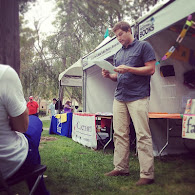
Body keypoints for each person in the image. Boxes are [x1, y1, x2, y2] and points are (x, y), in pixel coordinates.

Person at [102, 21, 156, 186]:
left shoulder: (144, 46)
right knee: (119, 134)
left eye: (120, 35)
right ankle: (121, 167)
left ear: (129, 31)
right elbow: (118, 77)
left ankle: (147, 174)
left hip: (138, 96)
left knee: (142, 135)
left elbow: (151, 69)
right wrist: (108, 75)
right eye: (116, 36)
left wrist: (129, 69)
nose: (118, 39)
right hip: (120, 97)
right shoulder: (118, 54)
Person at [0, 64, 49, 194]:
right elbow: (21, 127)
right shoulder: (4, 74)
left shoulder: (34, 104)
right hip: (8, 164)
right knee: (35, 124)